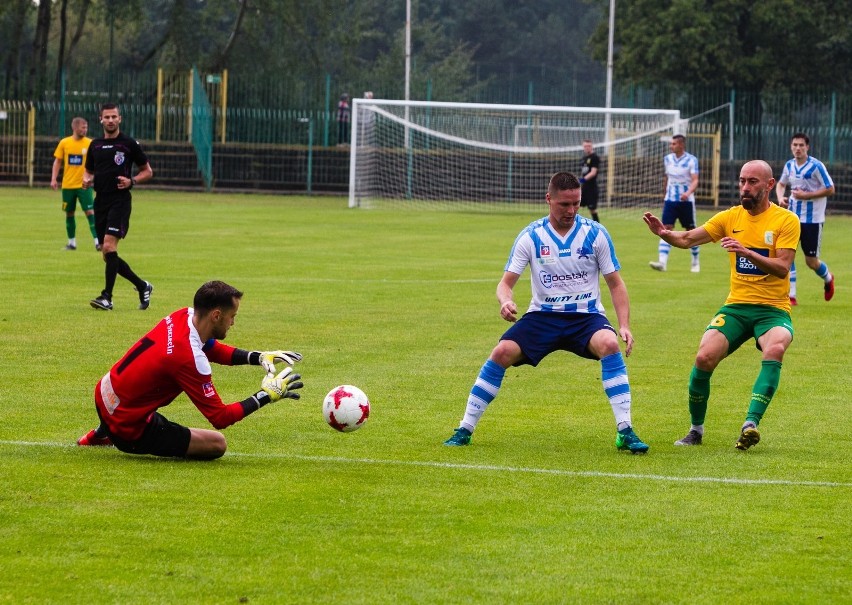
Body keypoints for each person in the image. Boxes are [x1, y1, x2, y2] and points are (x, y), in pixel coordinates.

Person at [444, 172, 649, 454]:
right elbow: (506, 283)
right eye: (565, 204)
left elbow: (615, 283)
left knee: (610, 344)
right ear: (549, 199)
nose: (572, 210)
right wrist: (505, 301)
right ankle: (464, 429)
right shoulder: (531, 236)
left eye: (576, 203)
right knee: (501, 352)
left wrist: (624, 325)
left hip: (585, 316)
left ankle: (625, 430)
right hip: (543, 316)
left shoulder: (596, 233)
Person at [643, 160, 800, 450]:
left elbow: (782, 267)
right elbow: (689, 238)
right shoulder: (730, 217)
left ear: (769, 185)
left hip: (773, 309)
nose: (745, 187)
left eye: (753, 182)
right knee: (704, 357)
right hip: (737, 307)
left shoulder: (786, 220)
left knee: (775, 347)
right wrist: (664, 234)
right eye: (742, 181)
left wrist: (746, 252)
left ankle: (750, 424)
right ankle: (695, 430)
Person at [77, 280, 304, 459]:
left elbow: (210, 347)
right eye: (231, 317)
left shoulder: (184, 316)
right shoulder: (188, 359)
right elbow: (220, 417)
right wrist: (265, 396)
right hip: (128, 427)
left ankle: (102, 432)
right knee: (216, 444)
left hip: (104, 394)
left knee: (136, 391)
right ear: (216, 315)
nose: (233, 323)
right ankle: (114, 433)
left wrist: (257, 357)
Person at [83, 103, 154, 311]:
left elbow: (147, 171)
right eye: (107, 117)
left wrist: (132, 181)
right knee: (108, 255)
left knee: (108, 246)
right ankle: (143, 286)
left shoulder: (129, 144)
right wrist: (86, 180)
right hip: (101, 201)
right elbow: (88, 172)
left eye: (114, 117)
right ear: (101, 120)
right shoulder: (95, 145)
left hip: (120, 201)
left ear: (120, 119)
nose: (111, 120)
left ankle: (107, 297)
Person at [774, 132, 836, 306]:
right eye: (795, 145)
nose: (798, 148)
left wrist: (807, 195)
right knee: (787, 254)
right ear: (791, 146)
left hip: (813, 220)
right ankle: (791, 296)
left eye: (801, 145)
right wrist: (780, 198)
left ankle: (828, 278)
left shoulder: (816, 166)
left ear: (807, 147)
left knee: (811, 261)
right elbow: (781, 184)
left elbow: (830, 189)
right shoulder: (789, 165)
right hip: (792, 218)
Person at [649, 134, 700, 273]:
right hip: (670, 200)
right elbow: (667, 177)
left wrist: (688, 192)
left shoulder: (691, 160)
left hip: (686, 201)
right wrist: (664, 192)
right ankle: (662, 262)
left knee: (690, 231)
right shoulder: (668, 159)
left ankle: (695, 261)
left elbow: (695, 180)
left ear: (681, 145)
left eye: (674, 144)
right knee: (665, 229)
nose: (671, 146)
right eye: (671, 144)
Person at [51, 117, 99, 251]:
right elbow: (57, 161)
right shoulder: (64, 143)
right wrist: (54, 179)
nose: (85, 130)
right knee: (69, 213)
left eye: (86, 127)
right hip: (68, 185)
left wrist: (92, 177)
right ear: (75, 128)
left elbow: (96, 162)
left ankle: (97, 242)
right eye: (82, 127)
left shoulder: (90, 143)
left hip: (84, 185)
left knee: (90, 212)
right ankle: (72, 243)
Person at [579, 139, 601, 222]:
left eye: (589, 146)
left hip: (592, 188)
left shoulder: (595, 157)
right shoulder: (583, 158)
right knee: (575, 205)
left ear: (592, 147)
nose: (587, 148)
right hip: (584, 188)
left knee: (592, 209)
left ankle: (598, 228)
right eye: (585, 146)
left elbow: (593, 172)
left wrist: (582, 180)